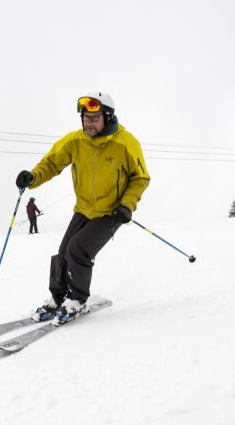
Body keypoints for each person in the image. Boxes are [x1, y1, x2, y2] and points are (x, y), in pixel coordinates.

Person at [15, 91, 150, 325]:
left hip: (111, 212)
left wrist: (127, 205)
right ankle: (58, 297)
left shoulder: (126, 143)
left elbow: (140, 178)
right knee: (63, 252)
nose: (89, 123)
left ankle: (77, 300)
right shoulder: (75, 141)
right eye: (86, 118)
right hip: (83, 209)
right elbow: (51, 163)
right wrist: (33, 177)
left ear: (107, 117)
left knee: (78, 250)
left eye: (94, 118)